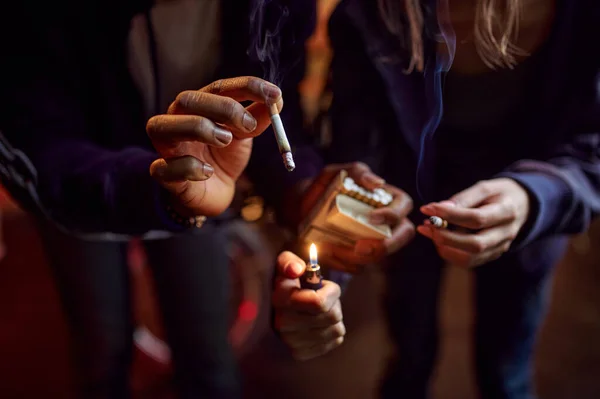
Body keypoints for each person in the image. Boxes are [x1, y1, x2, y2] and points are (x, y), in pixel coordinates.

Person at [272, 0, 600, 398]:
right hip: (404, 221)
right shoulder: (368, 13)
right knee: (410, 354)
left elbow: (591, 148)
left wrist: (534, 198)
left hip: (532, 231)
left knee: (506, 370)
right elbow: (354, 153)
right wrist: (328, 275)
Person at [0, 1, 325, 398]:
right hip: (82, 188)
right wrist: (159, 184)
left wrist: (307, 189)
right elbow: (36, 141)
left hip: (205, 188)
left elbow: (277, 109)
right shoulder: (42, 16)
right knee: (102, 349)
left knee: (207, 353)